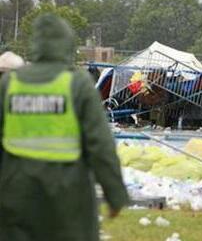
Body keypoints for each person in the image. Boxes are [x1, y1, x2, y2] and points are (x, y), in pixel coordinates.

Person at [0, 14, 129, 241]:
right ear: (68, 45)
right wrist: (115, 193)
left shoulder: (10, 83)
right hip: (68, 195)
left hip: (16, 193)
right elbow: (100, 144)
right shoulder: (77, 84)